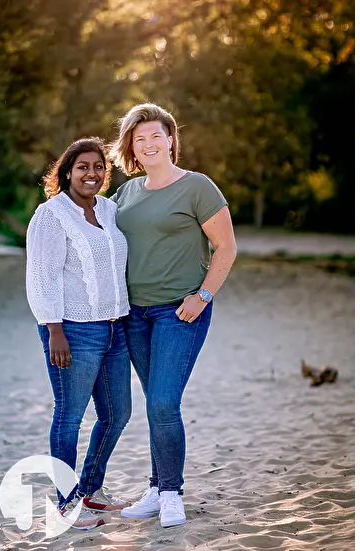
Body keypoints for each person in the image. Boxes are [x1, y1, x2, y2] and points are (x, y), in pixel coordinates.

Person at [107, 103, 237, 528]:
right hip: (133, 314)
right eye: (139, 138)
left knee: (164, 401)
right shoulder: (125, 194)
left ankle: (171, 493)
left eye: (156, 135)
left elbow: (226, 247)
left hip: (180, 311)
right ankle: (154, 487)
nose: (148, 144)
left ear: (170, 140)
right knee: (155, 404)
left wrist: (202, 295)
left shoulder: (197, 187)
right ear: (131, 145)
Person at [25, 137, 133, 530]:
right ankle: (65, 504)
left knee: (117, 413)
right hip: (71, 330)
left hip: (114, 327)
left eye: (99, 166)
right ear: (67, 171)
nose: (92, 173)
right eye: (83, 166)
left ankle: (90, 489)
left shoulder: (109, 209)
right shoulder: (51, 215)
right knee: (69, 417)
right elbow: (42, 276)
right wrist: (54, 329)